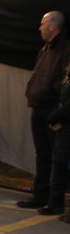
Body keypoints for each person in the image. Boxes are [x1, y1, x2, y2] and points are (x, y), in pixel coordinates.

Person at [18, 11, 70, 212]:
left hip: (52, 109)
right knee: (42, 154)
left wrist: (59, 114)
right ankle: (40, 196)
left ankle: (54, 201)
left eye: (42, 24)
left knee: (56, 157)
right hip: (38, 106)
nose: (39, 28)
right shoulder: (45, 49)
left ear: (52, 26)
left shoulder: (64, 49)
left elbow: (64, 84)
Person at [47, 63, 70, 219]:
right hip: (64, 129)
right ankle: (56, 204)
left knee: (63, 167)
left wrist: (53, 118)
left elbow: (67, 106)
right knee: (60, 167)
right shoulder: (65, 80)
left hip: (67, 129)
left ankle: (57, 205)